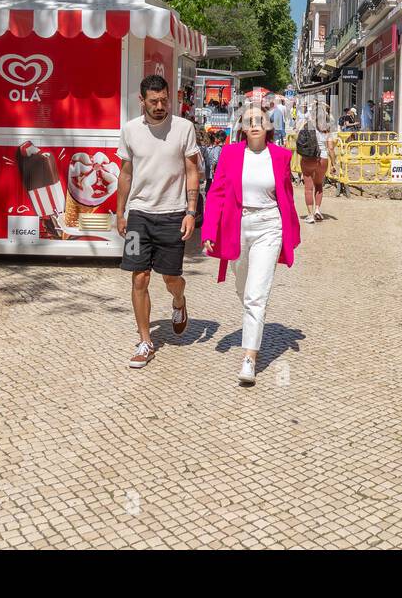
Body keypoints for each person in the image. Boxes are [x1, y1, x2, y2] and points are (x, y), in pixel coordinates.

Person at [201, 105, 301, 385]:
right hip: (238, 225)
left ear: (269, 125)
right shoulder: (231, 154)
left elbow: (287, 198)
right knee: (243, 288)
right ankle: (252, 316)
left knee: (256, 295)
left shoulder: (281, 156)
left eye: (261, 120)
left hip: (269, 226)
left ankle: (249, 358)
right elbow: (217, 192)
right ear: (242, 127)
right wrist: (209, 229)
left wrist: (291, 232)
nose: (255, 124)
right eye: (249, 121)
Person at [116, 75, 202, 369]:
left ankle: (179, 301)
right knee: (138, 277)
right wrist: (120, 211)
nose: (160, 106)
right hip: (139, 214)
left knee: (170, 278)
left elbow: (193, 171)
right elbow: (125, 173)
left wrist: (191, 211)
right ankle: (145, 341)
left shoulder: (183, 128)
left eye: (164, 100)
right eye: (153, 101)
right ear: (142, 101)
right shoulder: (129, 131)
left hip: (173, 214)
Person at [297, 114, 334, 223]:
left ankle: (310, 215)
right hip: (323, 160)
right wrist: (333, 164)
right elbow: (331, 149)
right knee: (318, 185)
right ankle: (317, 209)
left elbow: (299, 137)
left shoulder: (309, 129)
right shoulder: (328, 133)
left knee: (308, 188)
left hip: (308, 160)